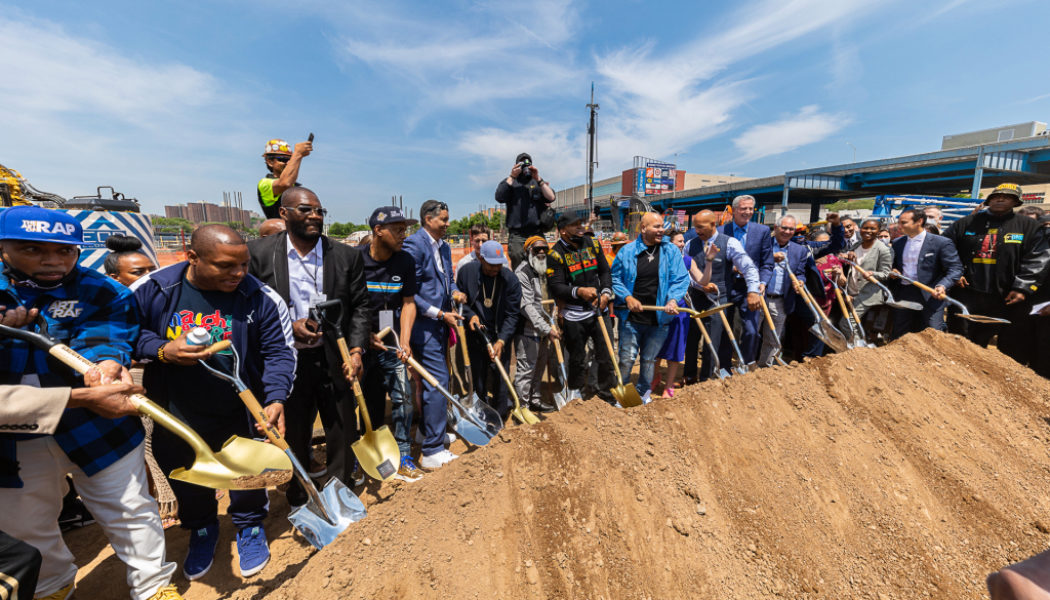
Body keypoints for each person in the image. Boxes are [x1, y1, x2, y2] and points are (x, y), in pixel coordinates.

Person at [0, 206, 181, 600]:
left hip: (98, 426)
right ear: (3, 248)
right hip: (14, 437)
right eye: (32, 249)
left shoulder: (102, 291)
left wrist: (108, 364)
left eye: (66, 251)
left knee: (131, 509)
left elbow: (109, 335)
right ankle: (52, 587)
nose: (53, 260)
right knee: (26, 522)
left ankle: (153, 588)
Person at [133, 225, 296, 581]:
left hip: (240, 405)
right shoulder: (156, 289)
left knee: (249, 468)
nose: (238, 274)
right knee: (185, 471)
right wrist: (163, 349)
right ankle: (202, 528)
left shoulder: (261, 297)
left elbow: (279, 353)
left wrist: (275, 399)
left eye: (244, 265)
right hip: (176, 408)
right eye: (225, 266)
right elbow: (124, 333)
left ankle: (250, 526)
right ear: (192, 257)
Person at [247, 187, 371, 497]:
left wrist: (355, 350)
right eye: (305, 210)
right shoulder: (258, 255)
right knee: (296, 430)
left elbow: (360, 307)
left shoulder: (345, 256)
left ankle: (340, 491)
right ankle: (300, 494)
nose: (315, 215)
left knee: (342, 427)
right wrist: (289, 326)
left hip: (335, 357)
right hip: (286, 363)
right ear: (284, 214)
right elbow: (249, 309)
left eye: (319, 211)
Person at [943, 184, 1050, 360]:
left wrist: (1023, 287)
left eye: (1006, 197)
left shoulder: (1029, 227)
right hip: (967, 294)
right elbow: (945, 248)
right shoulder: (965, 223)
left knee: (1011, 346)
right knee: (961, 341)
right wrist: (954, 271)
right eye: (995, 196)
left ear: (1015, 202)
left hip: (1008, 297)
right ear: (989, 200)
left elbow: (1039, 258)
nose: (1000, 199)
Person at [358, 206, 422, 482]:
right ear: (377, 231)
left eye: (405, 229)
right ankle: (370, 457)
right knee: (368, 403)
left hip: (392, 344)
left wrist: (405, 340)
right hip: (362, 346)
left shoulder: (405, 262)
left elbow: (408, 303)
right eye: (397, 229)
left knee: (403, 399)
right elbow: (349, 306)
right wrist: (362, 337)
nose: (403, 235)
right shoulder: (355, 261)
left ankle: (404, 453)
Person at [403, 200, 467, 469]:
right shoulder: (414, 246)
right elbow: (410, 292)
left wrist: (454, 292)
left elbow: (448, 277)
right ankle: (431, 450)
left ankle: (429, 433)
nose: (447, 224)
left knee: (439, 378)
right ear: (428, 220)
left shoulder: (442, 245)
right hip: (423, 324)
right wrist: (440, 314)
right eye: (443, 219)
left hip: (440, 322)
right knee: (436, 381)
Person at [611, 213, 690, 402]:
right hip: (631, 317)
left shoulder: (670, 251)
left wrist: (672, 300)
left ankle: (643, 393)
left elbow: (680, 279)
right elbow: (615, 278)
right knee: (627, 358)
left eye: (662, 226)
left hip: (659, 318)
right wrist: (627, 297)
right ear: (643, 228)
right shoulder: (627, 252)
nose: (661, 230)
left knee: (649, 360)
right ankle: (622, 394)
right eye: (656, 226)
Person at [683, 210, 761, 381]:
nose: (698, 231)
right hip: (695, 299)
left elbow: (748, 268)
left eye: (701, 227)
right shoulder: (690, 245)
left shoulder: (729, 243)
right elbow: (687, 273)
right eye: (696, 227)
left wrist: (753, 290)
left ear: (713, 225)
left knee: (713, 340)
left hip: (718, 300)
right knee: (691, 339)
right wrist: (700, 286)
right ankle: (689, 376)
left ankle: (707, 378)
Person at [547, 213, 616, 403]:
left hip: (598, 312)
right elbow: (556, 286)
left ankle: (607, 395)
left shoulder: (592, 244)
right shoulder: (555, 254)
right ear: (562, 231)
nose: (580, 228)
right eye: (574, 225)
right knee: (577, 359)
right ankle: (576, 393)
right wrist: (579, 292)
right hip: (574, 316)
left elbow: (604, 271)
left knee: (606, 355)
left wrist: (606, 293)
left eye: (581, 224)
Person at [457, 241, 521, 419]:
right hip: (476, 333)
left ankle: (499, 416)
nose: (495, 269)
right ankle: (481, 413)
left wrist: (502, 340)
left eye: (498, 264)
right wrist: (471, 315)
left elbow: (512, 314)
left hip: (500, 334)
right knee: (478, 375)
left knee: (501, 376)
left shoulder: (510, 280)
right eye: (491, 264)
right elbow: (460, 301)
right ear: (481, 258)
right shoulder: (467, 273)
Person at [652, 231, 713, 396]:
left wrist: (709, 261)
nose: (682, 244)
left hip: (680, 311)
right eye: (679, 241)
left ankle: (669, 385)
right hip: (659, 310)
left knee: (674, 349)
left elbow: (703, 281)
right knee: (655, 349)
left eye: (683, 241)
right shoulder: (657, 260)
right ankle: (654, 378)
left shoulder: (687, 260)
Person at [888, 209, 963, 338]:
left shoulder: (941, 243)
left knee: (932, 333)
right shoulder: (897, 243)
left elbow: (955, 268)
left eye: (903, 223)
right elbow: (893, 265)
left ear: (919, 222)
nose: (899, 226)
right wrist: (893, 271)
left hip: (931, 294)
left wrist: (942, 285)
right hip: (905, 293)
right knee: (900, 332)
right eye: (898, 222)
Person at [718, 195, 773, 363]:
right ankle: (724, 367)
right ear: (734, 210)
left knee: (751, 330)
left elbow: (767, 263)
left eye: (750, 209)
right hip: (726, 287)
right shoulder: (720, 232)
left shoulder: (761, 231)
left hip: (750, 290)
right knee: (724, 330)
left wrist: (761, 283)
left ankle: (747, 364)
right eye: (743, 208)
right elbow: (715, 261)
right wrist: (731, 266)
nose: (748, 212)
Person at [757, 215, 810, 367]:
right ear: (775, 228)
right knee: (750, 334)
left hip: (780, 301)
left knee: (773, 338)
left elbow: (800, 272)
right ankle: (747, 364)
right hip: (759, 297)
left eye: (791, 229)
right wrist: (770, 258)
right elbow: (750, 264)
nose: (787, 231)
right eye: (784, 228)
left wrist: (800, 281)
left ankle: (765, 366)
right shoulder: (762, 245)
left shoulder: (799, 251)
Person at [514, 236, 558, 413]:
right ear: (528, 252)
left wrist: (552, 322)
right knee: (526, 369)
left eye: (544, 249)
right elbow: (527, 306)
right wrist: (546, 328)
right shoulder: (522, 272)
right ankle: (522, 406)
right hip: (528, 328)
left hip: (545, 328)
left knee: (539, 366)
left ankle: (535, 399)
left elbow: (551, 298)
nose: (541, 252)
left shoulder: (546, 270)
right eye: (536, 249)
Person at [495, 153, 556, 268]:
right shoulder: (510, 182)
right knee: (519, 267)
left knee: (542, 266)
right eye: (522, 164)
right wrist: (512, 176)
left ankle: (541, 285)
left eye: (528, 164)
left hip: (536, 232)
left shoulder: (536, 182)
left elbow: (551, 197)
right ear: (516, 165)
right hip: (518, 235)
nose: (525, 167)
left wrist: (538, 179)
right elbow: (499, 197)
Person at [844, 218, 892, 320]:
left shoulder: (883, 249)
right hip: (851, 293)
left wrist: (872, 274)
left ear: (878, 232)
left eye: (872, 229)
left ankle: (857, 337)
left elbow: (886, 273)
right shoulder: (856, 245)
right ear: (860, 229)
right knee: (854, 324)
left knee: (847, 324)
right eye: (865, 228)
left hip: (867, 295)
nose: (868, 231)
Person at [257, 138, 312, 219]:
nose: (287, 163)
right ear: (270, 162)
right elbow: (284, 184)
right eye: (282, 159)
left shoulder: (294, 185)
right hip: (279, 230)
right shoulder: (264, 183)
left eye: (289, 159)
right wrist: (298, 154)